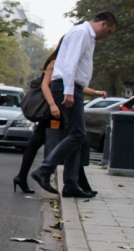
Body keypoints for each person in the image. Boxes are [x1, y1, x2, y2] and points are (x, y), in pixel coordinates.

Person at [29, 11, 118, 197]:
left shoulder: (85, 35)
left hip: (70, 87)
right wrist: (69, 91)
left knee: (76, 136)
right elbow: (70, 64)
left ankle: (70, 184)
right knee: (78, 134)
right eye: (109, 31)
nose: (107, 36)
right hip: (67, 87)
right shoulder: (82, 33)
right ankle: (44, 171)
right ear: (102, 24)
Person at [14, 44, 107, 194]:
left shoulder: (67, 62)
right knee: (72, 141)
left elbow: (77, 87)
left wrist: (96, 92)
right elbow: (46, 85)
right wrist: (52, 105)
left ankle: (22, 177)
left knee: (67, 142)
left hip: (62, 109)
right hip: (54, 111)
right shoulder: (56, 62)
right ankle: (77, 183)